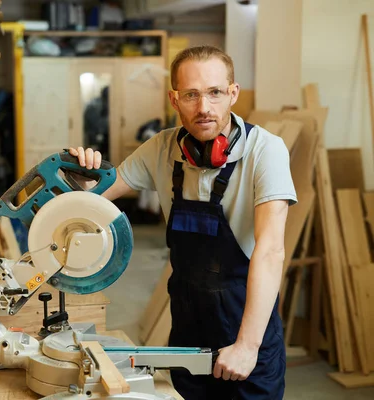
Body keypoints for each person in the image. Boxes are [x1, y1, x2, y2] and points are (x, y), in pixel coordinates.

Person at [69, 45, 296, 399]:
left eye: (215, 93)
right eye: (191, 95)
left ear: (232, 94)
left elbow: (270, 252)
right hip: (188, 329)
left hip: (246, 326)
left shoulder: (266, 151)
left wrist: (247, 346)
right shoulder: (160, 149)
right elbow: (91, 199)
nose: (204, 108)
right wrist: (81, 181)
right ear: (174, 100)